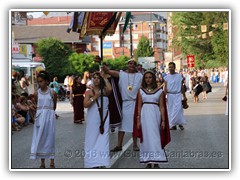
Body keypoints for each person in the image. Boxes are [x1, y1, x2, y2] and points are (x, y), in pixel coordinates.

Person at [102, 59, 143, 152]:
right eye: (130, 63)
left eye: (134, 64)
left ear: (136, 66)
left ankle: (135, 145)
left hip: (135, 102)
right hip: (124, 103)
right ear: (127, 65)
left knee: (135, 125)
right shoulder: (122, 74)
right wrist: (102, 64)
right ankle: (119, 145)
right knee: (122, 125)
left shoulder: (139, 75)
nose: (132, 65)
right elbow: (108, 71)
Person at [137, 71, 168, 168]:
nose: (148, 79)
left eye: (150, 77)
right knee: (146, 137)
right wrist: (138, 120)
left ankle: (157, 160)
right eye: (146, 77)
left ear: (153, 79)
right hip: (144, 115)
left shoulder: (160, 91)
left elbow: (162, 107)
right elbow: (138, 107)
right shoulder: (141, 91)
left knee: (156, 137)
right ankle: (148, 161)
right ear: (144, 79)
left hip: (155, 115)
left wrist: (163, 120)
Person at [83, 72, 112, 168]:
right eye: (94, 78)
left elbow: (110, 89)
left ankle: (102, 162)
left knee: (103, 139)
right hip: (93, 119)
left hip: (104, 118)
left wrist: (105, 77)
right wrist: (95, 97)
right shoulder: (89, 92)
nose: (96, 80)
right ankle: (92, 162)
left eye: (98, 78)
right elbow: (85, 104)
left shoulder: (104, 91)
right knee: (92, 139)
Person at [30, 70, 57, 169]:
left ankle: (52, 161)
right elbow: (37, 105)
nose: (39, 83)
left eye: (41, 81)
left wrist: (48, 113)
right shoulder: (37, 93)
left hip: (49, 117)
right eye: (38, 81)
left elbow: (54, 106)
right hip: (40, 117)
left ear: (46, 81)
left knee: (50, 138)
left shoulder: (52, 92)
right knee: (40, 138)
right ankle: (42, 162)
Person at [164, 62, 187, 130]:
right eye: (169, 67)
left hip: (177, 95)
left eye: (172, 67)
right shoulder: (166, 77)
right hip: (170, 95)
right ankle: (173, 124)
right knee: (171, 110)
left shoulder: (179, 76)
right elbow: (165, 88)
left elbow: (182, 86)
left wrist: (184, 96)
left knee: (178, 109)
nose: (171, 68)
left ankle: (180, 123)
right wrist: (164, 96)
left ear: (174, 67)